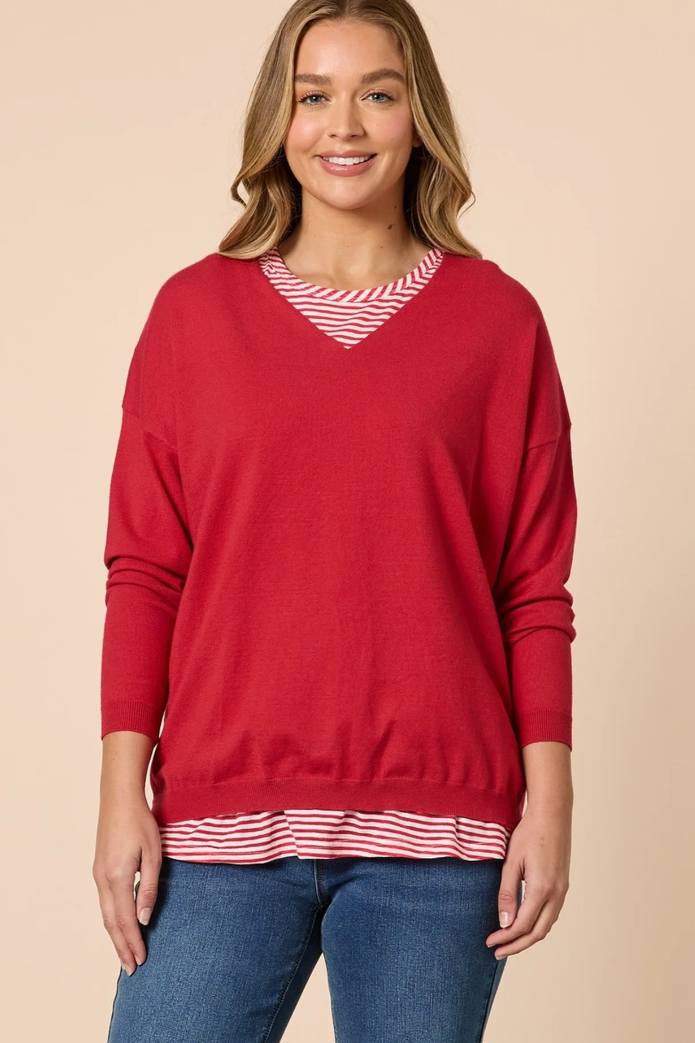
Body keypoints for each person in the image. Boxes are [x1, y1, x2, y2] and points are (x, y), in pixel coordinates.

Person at [93, 2, 577, 1041]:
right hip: (221, 821)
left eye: (377, 93)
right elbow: (145, 569)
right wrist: (119, 791)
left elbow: (531, 587)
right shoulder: (193, 315)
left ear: (417, 116)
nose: (342, 124)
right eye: (313, 95)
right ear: (279, 119)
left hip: (440, 838)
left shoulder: (498, 323)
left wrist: (551, 803)